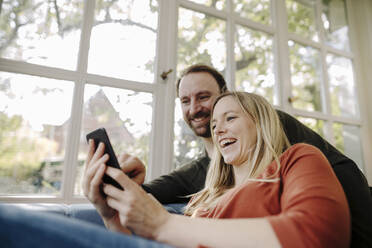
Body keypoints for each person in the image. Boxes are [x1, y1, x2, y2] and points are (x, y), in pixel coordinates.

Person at [0, 91, 350, 247]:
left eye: (230, 118)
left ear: (261, 124)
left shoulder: (297, 159)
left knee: (8, 224)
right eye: (215, 125)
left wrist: (163, 222)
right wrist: (111, 218)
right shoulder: (206, 198)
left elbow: (316, 237)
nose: (219, 129)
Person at [84, 64, 372, 247]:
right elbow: (146, 203)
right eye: (185, 101)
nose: (195, 108)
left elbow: (318, 227)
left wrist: (165, 224)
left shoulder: (294, 154)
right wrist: (112, 203)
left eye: (229, 117)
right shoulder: (204, 184)